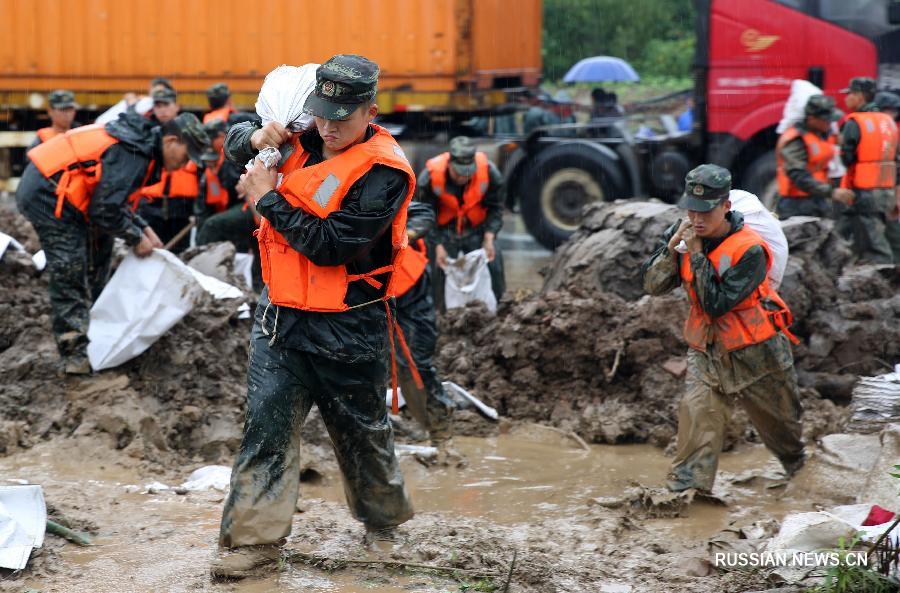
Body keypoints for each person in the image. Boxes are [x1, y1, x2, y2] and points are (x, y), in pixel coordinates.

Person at [212, 55, 416, 579]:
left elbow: (332, 246)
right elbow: (232, 141)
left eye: (340, 118)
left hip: (349, 327)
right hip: (279, 320)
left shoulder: (383, 172)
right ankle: (253, 544)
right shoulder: (301, 135)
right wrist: (256, 137)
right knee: (266, 428)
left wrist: (267, 202)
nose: (327, 126)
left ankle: (383, 529)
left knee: (361, 433)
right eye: (321, 114)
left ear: (370, 110)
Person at [642, 164, 806, 494]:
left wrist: (698, 255)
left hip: (757, 353)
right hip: (708, 351)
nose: (697, 219)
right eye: (692, 210)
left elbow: (714, 304)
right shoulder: (685, 235)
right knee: (697, 421)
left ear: (726, 207)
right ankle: (687, 497)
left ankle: (802, 480)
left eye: (706, 211)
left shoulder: (750, 250)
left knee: (784, 435)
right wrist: (670, 250)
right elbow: (653, 286)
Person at [16, 112, 208, 374]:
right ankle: (74, 353)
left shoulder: (140, 148)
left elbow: (114, 201)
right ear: (171, 140)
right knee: (70, 267)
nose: (186, 164)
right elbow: (105, 210)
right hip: (47, 193)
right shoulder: (132, 153)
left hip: (72, 194)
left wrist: (143, 228)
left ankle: (96, 328)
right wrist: (136, 237)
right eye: (186, 156)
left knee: (100, 251)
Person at [392, 201, 461, 465]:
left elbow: (423, 212)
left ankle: (441, 434)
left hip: (409, 285)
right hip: (365, 291)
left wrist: (401, 236)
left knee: (415, 362)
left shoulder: (380, 187)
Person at [418, 136, 505, 310]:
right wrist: (438, 245)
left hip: (476, 229)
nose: (462, 178)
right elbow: (423, 215)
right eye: (458, 173)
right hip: (443, 230)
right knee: (436, 270)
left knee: (493, 265)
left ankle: (500, 310)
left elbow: (496, 208)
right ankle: (438, 314)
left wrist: (489, 236)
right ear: (449, 162)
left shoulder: (489, 173)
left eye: (467, 173)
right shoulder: (429, 177)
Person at [132, 87, 201, 252]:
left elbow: (203, 174)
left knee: (178, 256)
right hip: (149, 208)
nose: (162, 110)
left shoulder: (191, 136)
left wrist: (199, 210)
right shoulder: (145, 135)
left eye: (166, 104)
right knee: (149, 255)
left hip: (181, 210)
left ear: (177, 106)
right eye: (158, 105)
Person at [838, 77, 898, 263]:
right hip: (885, 192)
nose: (846, 99)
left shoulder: (854, 123)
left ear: (860, 96)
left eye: (850, 94)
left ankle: (886, 284)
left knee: (874, 247)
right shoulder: (888, 122)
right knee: (873, 237)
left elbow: (846, 158)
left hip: (863, 194)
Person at [195, 120, 261, 290]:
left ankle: (200, 274)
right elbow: (204, 206)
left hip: (254, 208)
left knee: (213, 225)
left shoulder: (237, 156)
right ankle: (204, 273)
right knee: (210, 224)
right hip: (243, 209)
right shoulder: (214, 166)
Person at [775, 95, 855, 219]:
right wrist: (830, 192)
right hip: (796, 205)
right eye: (827, 120)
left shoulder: (822, 135)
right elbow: (798, 175)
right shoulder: (796, 140)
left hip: (818, 200)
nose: (830, 123)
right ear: (812, 119)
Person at [874, 90, 900, 262]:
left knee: (892, 231)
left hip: (888, 189)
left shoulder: (892, 131)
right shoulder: (884, 130)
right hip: (878, 189)